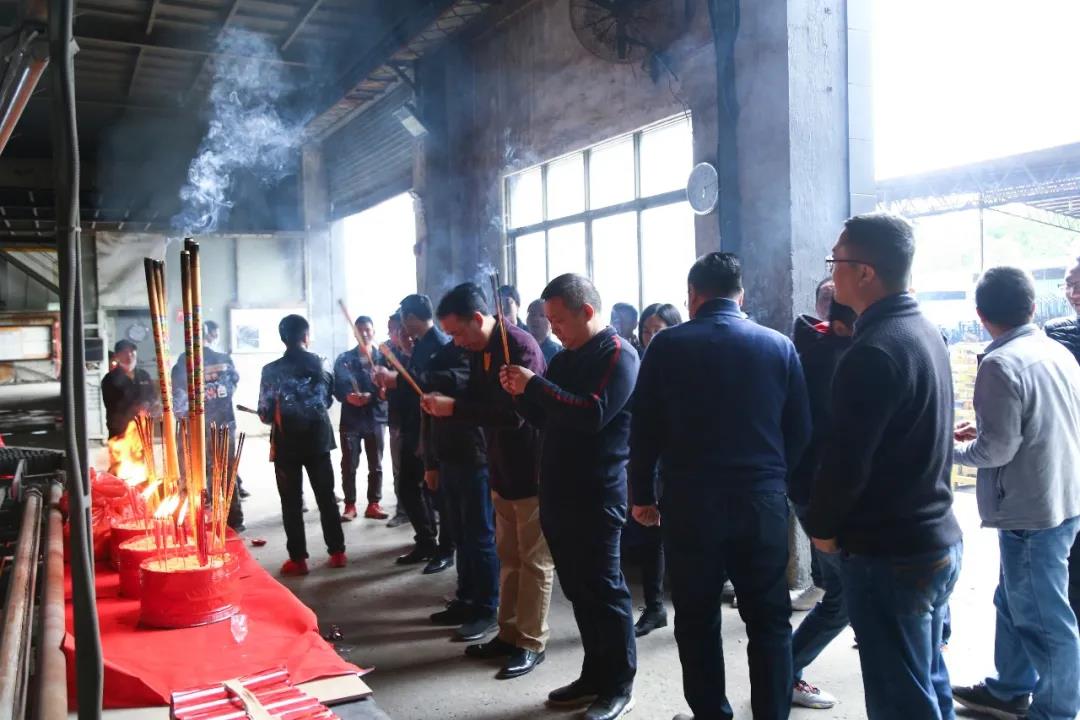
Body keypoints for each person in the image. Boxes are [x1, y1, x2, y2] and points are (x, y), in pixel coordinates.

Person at [629, 253, 811, 720]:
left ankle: (712, 714)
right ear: (740, 295)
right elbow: (801, 431)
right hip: (762, 502)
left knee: (697, 617)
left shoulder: (666, 347)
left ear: (692, 295)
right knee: (769, 620)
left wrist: (642, 496)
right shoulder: (778, 346)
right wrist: (777, 484)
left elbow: (644, 430)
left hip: (691, 505)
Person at [804, 213, 963, 720]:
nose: (831, 272)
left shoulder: (873, 350)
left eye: (836, 260)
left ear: (865, 272)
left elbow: (846, 461)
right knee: (927, 682)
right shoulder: (923, 330)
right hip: (934, 540)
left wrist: (822, 529)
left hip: (892, 552)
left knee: (901, 701)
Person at [501, 274, 639, 720]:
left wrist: (534, 386)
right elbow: (548, 416)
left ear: (587, 312)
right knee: (579, 591)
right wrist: (519, 394)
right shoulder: (565, 358)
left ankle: (619, 685)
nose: (553, 328)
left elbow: (591, 414)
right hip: (558, 492)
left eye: (559, 319)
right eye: (549, 319)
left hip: (596, 494)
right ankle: (594, 674)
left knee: (605, 591)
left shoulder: (618, 354)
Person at [949, 267, 1080, 720]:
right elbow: (1038, 421)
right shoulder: (1053, 350)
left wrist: (947, 450)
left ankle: (1056, 711)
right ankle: (1009, 690)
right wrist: (985, 430)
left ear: (981, 314)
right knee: (1011, 602)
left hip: (1030, 511)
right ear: (1033, 306)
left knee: (1045, 620)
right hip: (1060, 498)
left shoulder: (999, 363)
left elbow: (996, 451)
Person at [423, 282, 554, 676]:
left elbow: (514, 414)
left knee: (534, 562)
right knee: (509, 557)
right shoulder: (481, 350)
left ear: (477, 319)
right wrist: (447, 403)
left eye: (457, 332)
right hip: (500, 467)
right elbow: (479, 403)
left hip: (531, 469)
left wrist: (454, 408)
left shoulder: (519, 347)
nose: (456, 342)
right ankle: (508, 632)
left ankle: (531, 641)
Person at [786, 299, 857, 710]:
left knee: (845, 593)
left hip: (813, 491)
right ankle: (784, 673)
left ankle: (782, 672)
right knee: (844, 596)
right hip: (820, 494)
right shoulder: (831, 360)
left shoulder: (817, 350)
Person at [420, 339, 499, 643]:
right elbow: (429, 411)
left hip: (476, 456)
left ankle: (487, 608)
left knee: (480, 537)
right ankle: (466, 599)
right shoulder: (445, 352)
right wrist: (431, 462)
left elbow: (464, 380)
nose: (454, 335)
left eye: (456, 329)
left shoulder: (483, 353)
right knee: (460, 534)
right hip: (448, 455)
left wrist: (421, 378)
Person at [257, 314, 345, 576]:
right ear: (306, 336)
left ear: (283, 338)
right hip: (318, 440)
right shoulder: (322, 363)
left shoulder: (270, 371)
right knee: (326, 497)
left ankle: (298, 559)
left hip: (287, 444)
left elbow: (264, 413)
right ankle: (338, 552)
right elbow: (327, 400)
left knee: (291, 502)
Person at [373, 294, 450, 572]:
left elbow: (428, 383)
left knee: (439, 492)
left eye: (404, 320)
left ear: (411, 318)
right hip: (413, 425)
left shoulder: (440, 344)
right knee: (408, 486)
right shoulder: (419, 345)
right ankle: (426, 541)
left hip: (432, 429)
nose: (403, 328)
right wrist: (391, 384)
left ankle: (446, 549)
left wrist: (397, 380)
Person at [622, 302, 682, 638]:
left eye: (658, 330)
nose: (650, 336)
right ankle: (654, 606)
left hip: (679, 463)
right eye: (646, 330)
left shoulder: (686, 362)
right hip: (646, 461)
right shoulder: (637, 362)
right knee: (650, 536)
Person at [171, 322, 245, 530]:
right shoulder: (224, 360)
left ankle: (201, 519)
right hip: (224, 424)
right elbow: (232, 386)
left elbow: (178, 402)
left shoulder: (183, 363)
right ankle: (234, 520)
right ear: (207, 337)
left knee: (195, 473)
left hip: (196, 429)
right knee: (226, 471)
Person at [1044, 253, 1080, 625]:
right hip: (1067, 455)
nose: (1073, 293)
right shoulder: (1055, 332)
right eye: (1068, 285)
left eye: (1079, 285)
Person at [332, 316, 389, 522]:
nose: (364, 333)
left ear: (373, 331)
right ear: (354, 333)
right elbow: (336, 386)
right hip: (351, 419)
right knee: (349, 463)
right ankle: (350, 505)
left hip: (375, 417)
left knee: (376, 463)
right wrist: (347, 396)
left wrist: (373, 396)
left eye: (367, 329)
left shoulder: (383, 359)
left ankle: (374, 504)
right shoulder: (344, 359)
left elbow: (388, 388)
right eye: (360, 330)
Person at [385, 312, 413, 529]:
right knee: (399, 470)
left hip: (416, 421)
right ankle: (402, 510)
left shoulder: (416, 354)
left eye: (394, 329)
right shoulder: (387, 353)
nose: (392, 334)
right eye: (390, 330)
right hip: (396, 419)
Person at [102, 339, 156, 441]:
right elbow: (110, 404)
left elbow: (152, 395)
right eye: (125, 352)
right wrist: (133, 408)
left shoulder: (144, 375)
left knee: (145, 451)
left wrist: (148, 403)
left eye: (132, 351)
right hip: (120, 430)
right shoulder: (109, 379)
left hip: (143, 428)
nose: (129, 355)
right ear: (117, 356)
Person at [526, 298, 562, 364]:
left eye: (542, 315)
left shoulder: (558, 353)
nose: (536, 319)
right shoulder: (518, 345)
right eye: (532, 314)